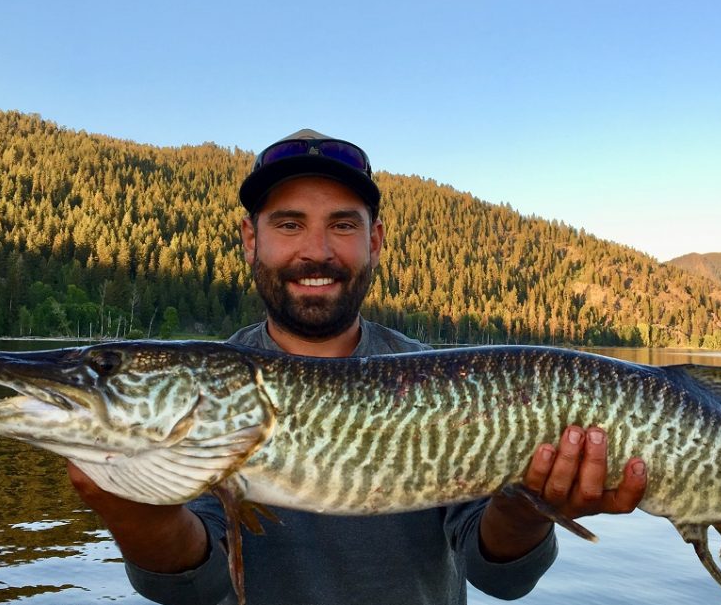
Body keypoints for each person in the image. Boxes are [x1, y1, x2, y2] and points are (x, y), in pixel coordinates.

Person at [67, 129, 648, 604]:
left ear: (376, 241)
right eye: (289, 224)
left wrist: (528, 504)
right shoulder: (209, 394)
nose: (316, 251)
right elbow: (194, 588)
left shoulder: (453, 387)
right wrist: (132, 511)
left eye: (342, 225)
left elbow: (501, 577)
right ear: (250, 239)